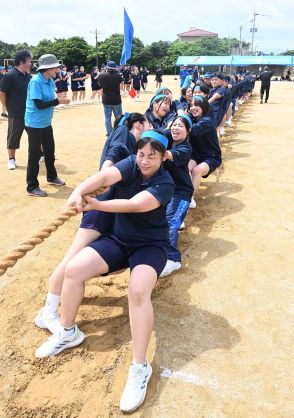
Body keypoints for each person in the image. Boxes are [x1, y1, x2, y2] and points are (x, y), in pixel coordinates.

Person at [34, 131, 175, 414]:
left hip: (150, 246)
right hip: (119, 240)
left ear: (163, 157)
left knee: (137, 291)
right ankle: (67, 331)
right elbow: (103, 178)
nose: (145, 161)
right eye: (142, 154)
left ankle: (139, 367)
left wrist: (95, 204)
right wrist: (78, 192)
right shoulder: (131, 165)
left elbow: (135, 205)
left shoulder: (164, 182)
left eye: (152, 156)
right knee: (73, 270)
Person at [25, 54, 70, 197]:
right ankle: (32, 186)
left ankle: (51, 177)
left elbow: (51, 98)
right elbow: (39, 105)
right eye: (55, 66)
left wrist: (59, 99)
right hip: (34, 123)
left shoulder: (50, 80)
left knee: (50, 150)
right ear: (47, 69)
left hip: (45, 122)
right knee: (35, 154)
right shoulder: (35, 82)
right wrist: (58, 102)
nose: (58, 68)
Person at [160, 114, 194, 277]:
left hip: (181, 193)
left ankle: (173, 259)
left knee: (170, 223)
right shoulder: (167, 137)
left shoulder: (185, 148)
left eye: (181, 126)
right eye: (174, 124)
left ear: (188, 131)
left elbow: (168, 155)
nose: (176, 128)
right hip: (164, 191)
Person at [0, 50, 32, 170]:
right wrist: (5, 107)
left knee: (35, 135)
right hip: (15, 113)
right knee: (13, 137)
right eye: (28, 61)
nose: (30, 63)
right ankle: (11, 159)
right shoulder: (10, 76)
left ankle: (41, 154)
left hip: (29, 113)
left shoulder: (28, 76)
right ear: (22, 62)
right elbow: (2, 92)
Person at [188, 95, 222, 208]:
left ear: (204, 107)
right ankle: (184, 191)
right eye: (191, 105)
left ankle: (188, 198)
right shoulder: (193, 118)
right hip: (196, 155)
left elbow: (193, 130)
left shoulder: (208, 120)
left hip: (211, 156)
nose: (193, 107)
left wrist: (176, 126)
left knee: (197, 171)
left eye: (197, 105)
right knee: (185, 168)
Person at [98, 61, 123, 136]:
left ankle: (110, 132)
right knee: (118, 117)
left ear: (107, 67)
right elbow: (121, 86)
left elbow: (100, 85)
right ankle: (119, 131)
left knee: (107, 117)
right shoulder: (119, 76)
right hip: (116, 99)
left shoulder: (102, 76)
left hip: (106, 99)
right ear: (115, 67)